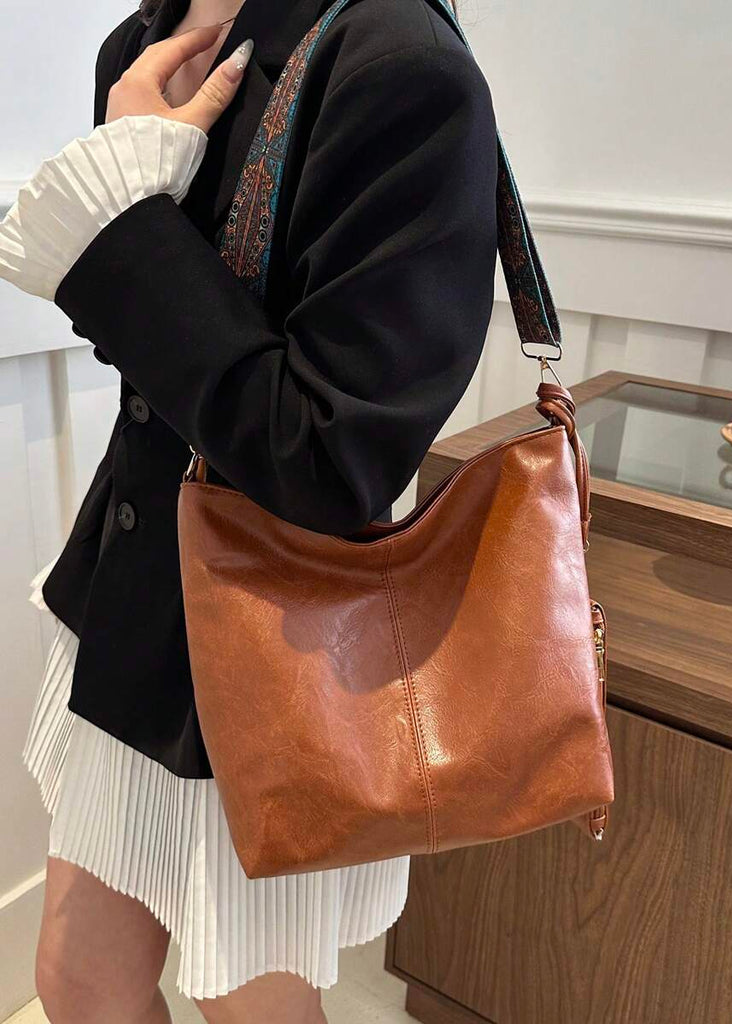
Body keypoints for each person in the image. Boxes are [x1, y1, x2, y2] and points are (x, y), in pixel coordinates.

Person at [0, 0, 498, 1020]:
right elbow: (142, 345)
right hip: (130, 603)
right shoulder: (143, 42)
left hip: (278, 654)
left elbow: (330, 460)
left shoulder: (397, 61)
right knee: (78, 983)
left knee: (248, 1003)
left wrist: (127, 221)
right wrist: (129, 212)